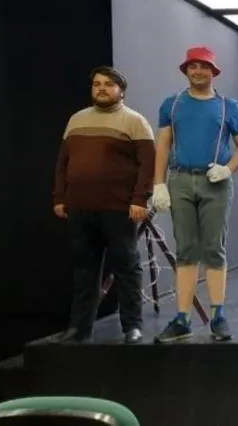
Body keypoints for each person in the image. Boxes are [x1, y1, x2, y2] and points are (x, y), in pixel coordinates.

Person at [149, 46, 238, 343]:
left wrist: (228, 169)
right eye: (193, 66)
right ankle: (183, 319)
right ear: (186, 70)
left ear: (213, 71)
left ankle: (218, 316)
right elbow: (163, 145)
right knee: (185, 249)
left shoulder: (227, 106)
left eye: (204, 66)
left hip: (214, 181)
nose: (198, 71)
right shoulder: (173, 104)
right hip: (180, 179)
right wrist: (158, 184)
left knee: (214, 247)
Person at [52, 66, 154, 344]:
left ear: (121, 90)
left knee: (127, 266)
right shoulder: (76, 120)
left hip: (119, 208)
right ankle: (79, 328)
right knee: (84, 270)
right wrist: (60, 197)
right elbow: (62, 163)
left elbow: (148, 166)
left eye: (108, 84)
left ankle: (132, 326)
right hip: (80, 207)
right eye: (97, 84)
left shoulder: (135, 121)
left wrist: (139, 200)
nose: (101, 89)